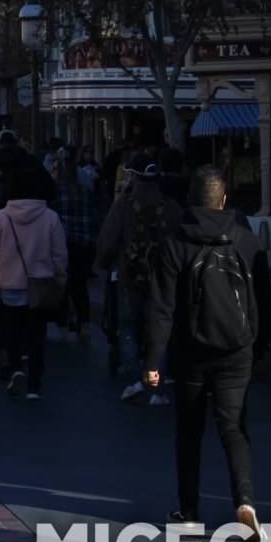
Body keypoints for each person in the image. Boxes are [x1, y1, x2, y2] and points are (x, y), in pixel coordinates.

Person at [144, 165, 271, 537]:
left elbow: (161, 308)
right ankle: (244, 500)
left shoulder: (175, 243)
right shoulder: (247, 241)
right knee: (234, 426)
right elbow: (263, 301)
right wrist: (259, 346)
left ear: (190, 201)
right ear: (224, 200)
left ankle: (189, 509)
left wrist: (152, 360)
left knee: (189, 430)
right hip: (237, 349)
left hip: (191, 351)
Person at [97, 162, 181, 401]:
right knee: (159, 330)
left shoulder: (123, 205)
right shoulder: (171, 207)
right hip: (163, 277)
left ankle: (135, 379)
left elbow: (108, 241)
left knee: (128, 326)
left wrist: (105, 263)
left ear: (135, 177)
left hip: (130, 275)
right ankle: (156, 385)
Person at [0, 182, 67, 400]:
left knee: (12, 330)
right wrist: (60, 278)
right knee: (37, 334)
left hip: (9, 283)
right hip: (40, 284)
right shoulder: (50, 217)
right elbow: (59, 253)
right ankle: (34, 383)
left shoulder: (3, 216)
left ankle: (15, 368)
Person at [54, 156, 100, 343]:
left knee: (63, 285)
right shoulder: (85, 190)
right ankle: (85, 325)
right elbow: (93, 215)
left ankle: (63, 326)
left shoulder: (56, 190)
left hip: (64, 242)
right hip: (85, 243)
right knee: (79, 285)